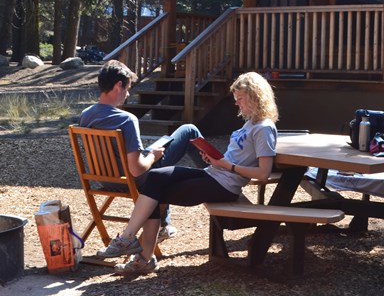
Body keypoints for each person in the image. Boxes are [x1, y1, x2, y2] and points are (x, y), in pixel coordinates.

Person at [96, 71, 278, 276]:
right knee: (155, 178)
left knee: (154, 193)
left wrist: (228, 165)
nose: (237, 104)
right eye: (236, 99)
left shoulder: (264, 128)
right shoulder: (251, 123)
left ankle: (138, 253)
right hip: (214, 173)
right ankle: (133, 244)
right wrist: (216, 161)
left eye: (241, 99)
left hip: (225, 186)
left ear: (255, 96)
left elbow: (263, 173)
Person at [79, 59, 205, 241]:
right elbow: (137, 169)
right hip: (130, 179)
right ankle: (219, 175)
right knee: (189, 131)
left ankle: (164, 225)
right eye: (128, 88)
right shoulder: (127, 120)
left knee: (157, 159)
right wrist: (153, 156)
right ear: (118, 86)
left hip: (105, 178)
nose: (128, 94)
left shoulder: (86, 115)